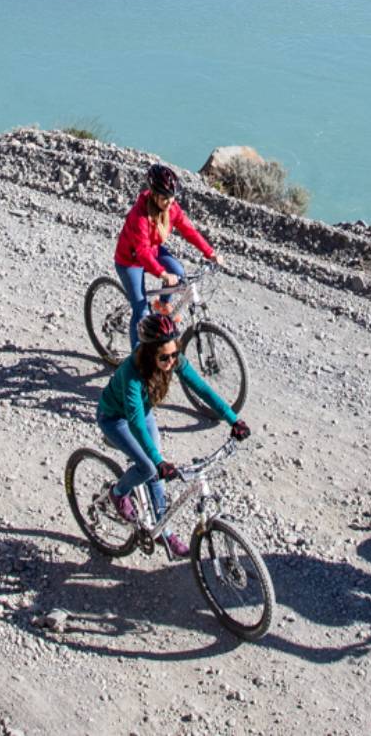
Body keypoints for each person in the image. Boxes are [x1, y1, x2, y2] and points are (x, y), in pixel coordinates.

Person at [98, 314, 250, 558]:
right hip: (115, 419)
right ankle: (118, 494)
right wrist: (158, 460)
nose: (171, 361)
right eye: (164, 357)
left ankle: (162, 531)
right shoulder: (132, 374)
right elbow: (135, 423)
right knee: (149, 468)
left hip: (141, 413)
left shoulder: (173, 358)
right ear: (149, 355)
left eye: (174, 353)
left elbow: (202, 389)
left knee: (156, 476)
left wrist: (233, 419)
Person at [112, 164, 219, 344]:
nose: (169, 202)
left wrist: (210, 253)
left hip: (152, 251)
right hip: (130, 260)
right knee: (141, 312)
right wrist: (162, 273)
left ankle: (162, 305)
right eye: (164, 198)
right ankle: (136, 365)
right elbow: (143, 252)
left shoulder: (171, 207)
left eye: (172, 197)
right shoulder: (139, 216)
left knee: (179, 271)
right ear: (153, 195)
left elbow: (189, 231)